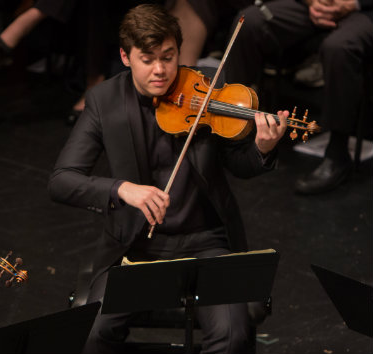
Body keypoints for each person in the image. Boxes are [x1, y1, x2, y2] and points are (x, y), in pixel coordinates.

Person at [47, 4, 289, 353]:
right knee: (91, 334)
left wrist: (263, 149)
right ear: (125, 57)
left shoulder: (206, 91)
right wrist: (122, 189)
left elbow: (240, 164)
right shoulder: (104, 100)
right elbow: (62, 181)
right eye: (148, 59)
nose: (160, 70)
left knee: (232, 336)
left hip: (207, 243)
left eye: (168, 56)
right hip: (135, 248)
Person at [224, 0, 373, 195]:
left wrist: (353, 4)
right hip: (317, 3)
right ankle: (230, 125)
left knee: (339, 47)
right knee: (249, 21)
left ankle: (338, 154)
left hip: (365, 9)